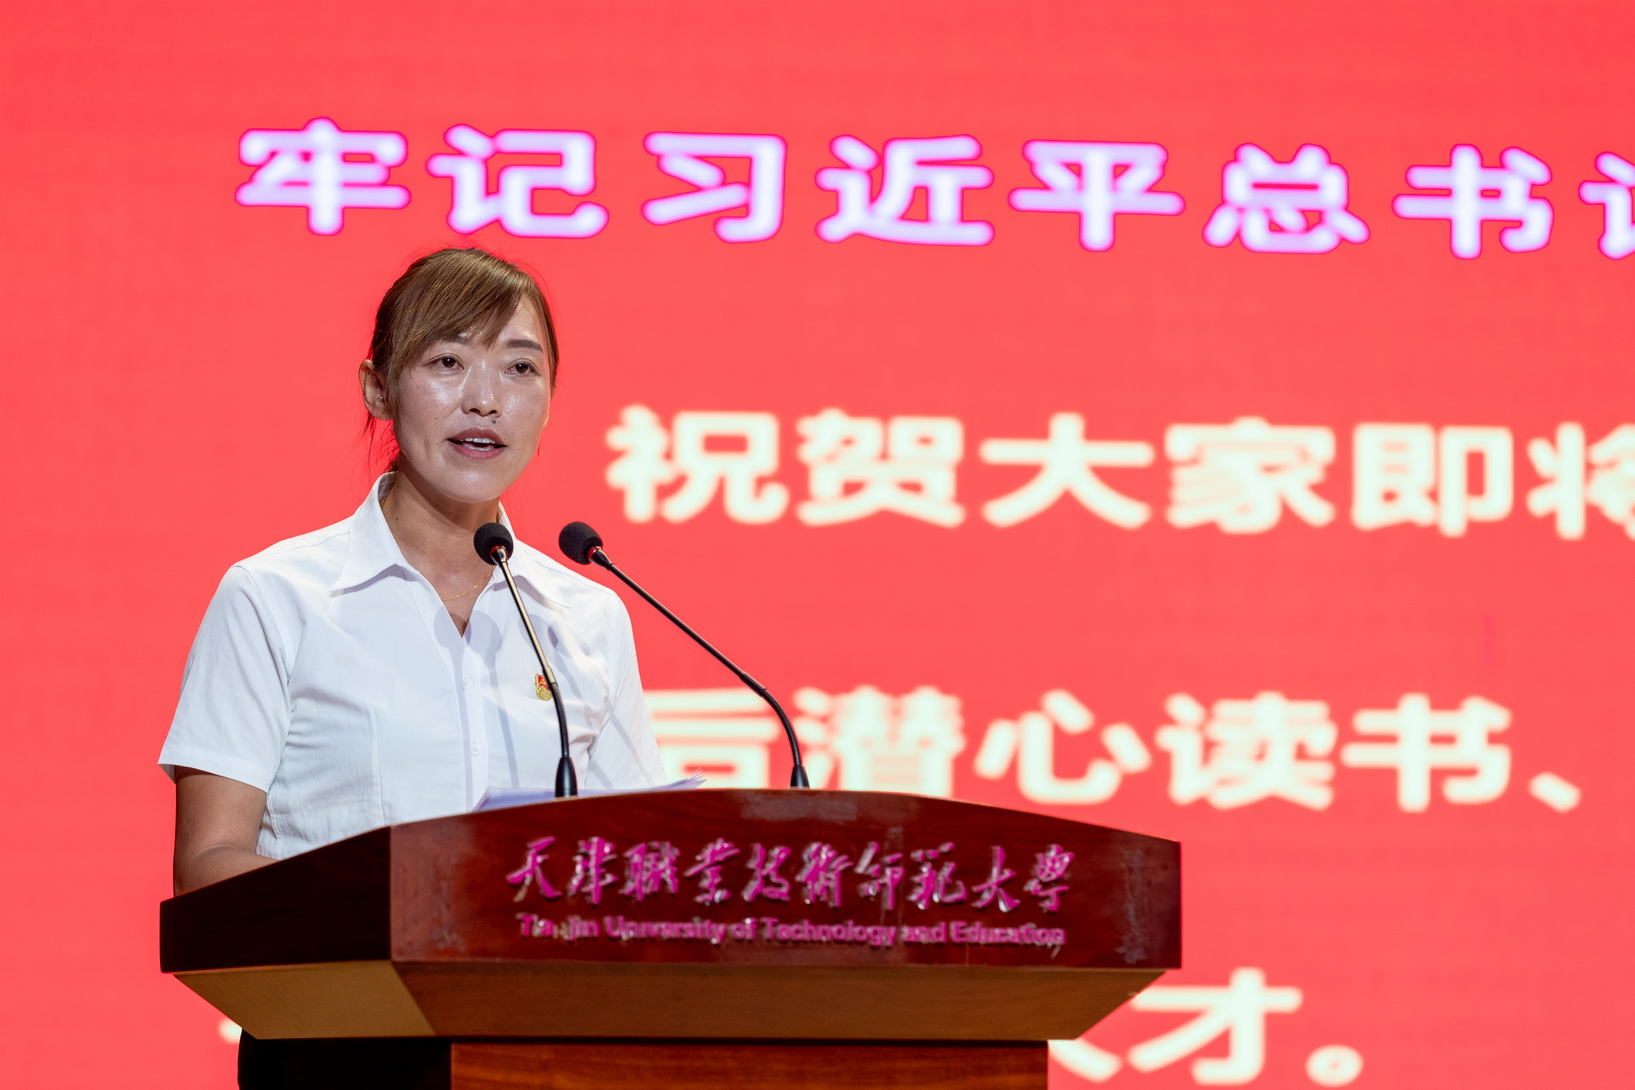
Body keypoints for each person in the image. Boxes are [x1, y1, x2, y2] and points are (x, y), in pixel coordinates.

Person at [160, 247, 666, 899]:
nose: (485, 400)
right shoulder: (274, 598)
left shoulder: (588, 618)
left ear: (548, 402)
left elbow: (636, 866)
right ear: (379, 388)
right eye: (448, 362)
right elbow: (206, 867)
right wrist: (407, 900)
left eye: (519, 368)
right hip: (343, 968)